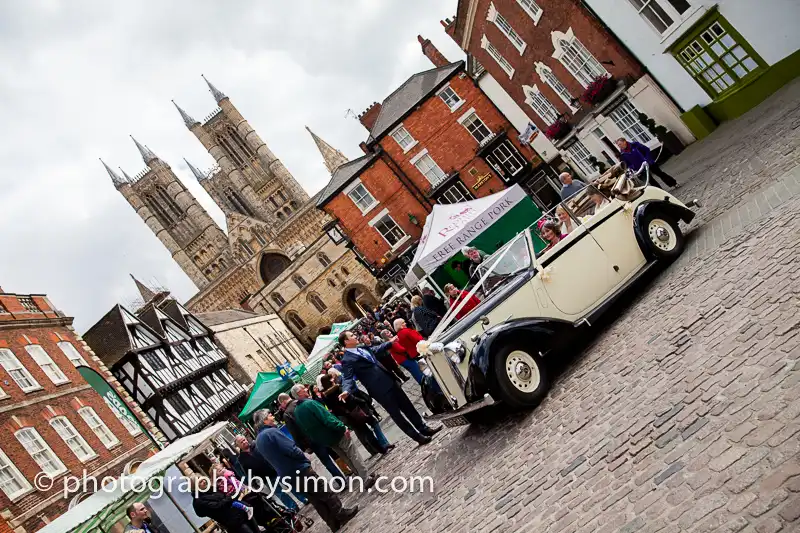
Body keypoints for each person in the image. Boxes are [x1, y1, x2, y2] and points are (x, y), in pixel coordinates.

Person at [253, 409, 358, 532]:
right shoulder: (272, 433)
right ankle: (340, 513)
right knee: (323, 491)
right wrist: (303, 457)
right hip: (298, 468)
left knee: (315, 499)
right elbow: (290, 449)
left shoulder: (259, 440)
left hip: (287, 474)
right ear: (265, 420)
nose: (273, 416)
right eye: (270, 415)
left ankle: (332, 522)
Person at [338, 330, 442, 445]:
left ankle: (424, 428)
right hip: (379, 390)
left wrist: (390, 343)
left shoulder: (362, 348)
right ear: (346, 341)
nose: (355, 335)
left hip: (389, 380)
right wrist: (346, 390)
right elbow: (347, 378)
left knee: (408, 406)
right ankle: (417, 437)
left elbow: (376, 349)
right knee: (397, 415)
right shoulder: (347, 360)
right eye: (352, 335)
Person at [291, 384, 378, 485]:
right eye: (303, 389)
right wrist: (341, 426)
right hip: (335, 433)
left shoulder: (297, 411)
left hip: (325, 439)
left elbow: (306, 429)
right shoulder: (310, 404)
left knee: (345, 457)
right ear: (299, 393)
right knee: (352, 454)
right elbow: (327, 418)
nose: (306, 389)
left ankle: (361, 476)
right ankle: (365, 477)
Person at [320, 373, 393, 456]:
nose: (333, 379)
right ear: (329, 381)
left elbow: (334, 409)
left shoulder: (325, 396)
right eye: (331, 378)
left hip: (348, 417)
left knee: (366, 432)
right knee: (373, 423)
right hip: (357, 410)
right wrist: (362, 401)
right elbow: (351, 399)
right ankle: (384, 444)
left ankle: (381, 449)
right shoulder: (338, 388)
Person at [277, 393, 345, 478]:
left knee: (326, 460)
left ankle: (340, 479)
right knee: (335, 453)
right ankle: (346, 470)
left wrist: (304, 447)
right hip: (322, 432)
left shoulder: (287, 414)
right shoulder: (303, 402)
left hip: (311, 440)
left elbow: (295, 433)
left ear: (283, 402)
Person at [234, 434, 302, 510]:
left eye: (244, 440)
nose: (244, 442)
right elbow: (246, 470)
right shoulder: (241, 459)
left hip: (276, 469)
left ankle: (303, 499)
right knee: (280, 494)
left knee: (291, 485)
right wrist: (254, 483)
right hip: (265, 478)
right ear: (238, 446)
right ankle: (293, 507)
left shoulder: (256, 445)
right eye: (241, 442)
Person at [189, 475, 258, 533]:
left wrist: (229, 497)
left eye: (203, 479)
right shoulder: (199, 501)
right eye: (200, 482)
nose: (204, 481)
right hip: (235, 522)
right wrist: (230, 496)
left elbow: (224, 497)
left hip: (243, 513)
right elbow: (218, 506)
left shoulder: (210, 490)